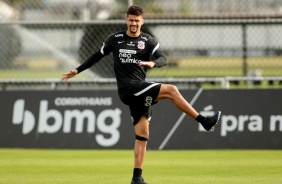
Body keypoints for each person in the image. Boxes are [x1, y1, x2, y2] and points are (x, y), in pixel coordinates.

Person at [62, 5, 221, 184]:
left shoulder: (148, 41)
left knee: (143, 134)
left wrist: (154, 64)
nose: (134, 23)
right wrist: (77, 70)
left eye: (137, 21)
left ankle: (137, 178)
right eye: (131, 20)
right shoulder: (115, 39)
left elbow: (163, 58)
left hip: (140, 90)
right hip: (127, 89)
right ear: (126, 20)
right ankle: (203, 121)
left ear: (142, 22)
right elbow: (96, 56)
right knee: (172, 90)